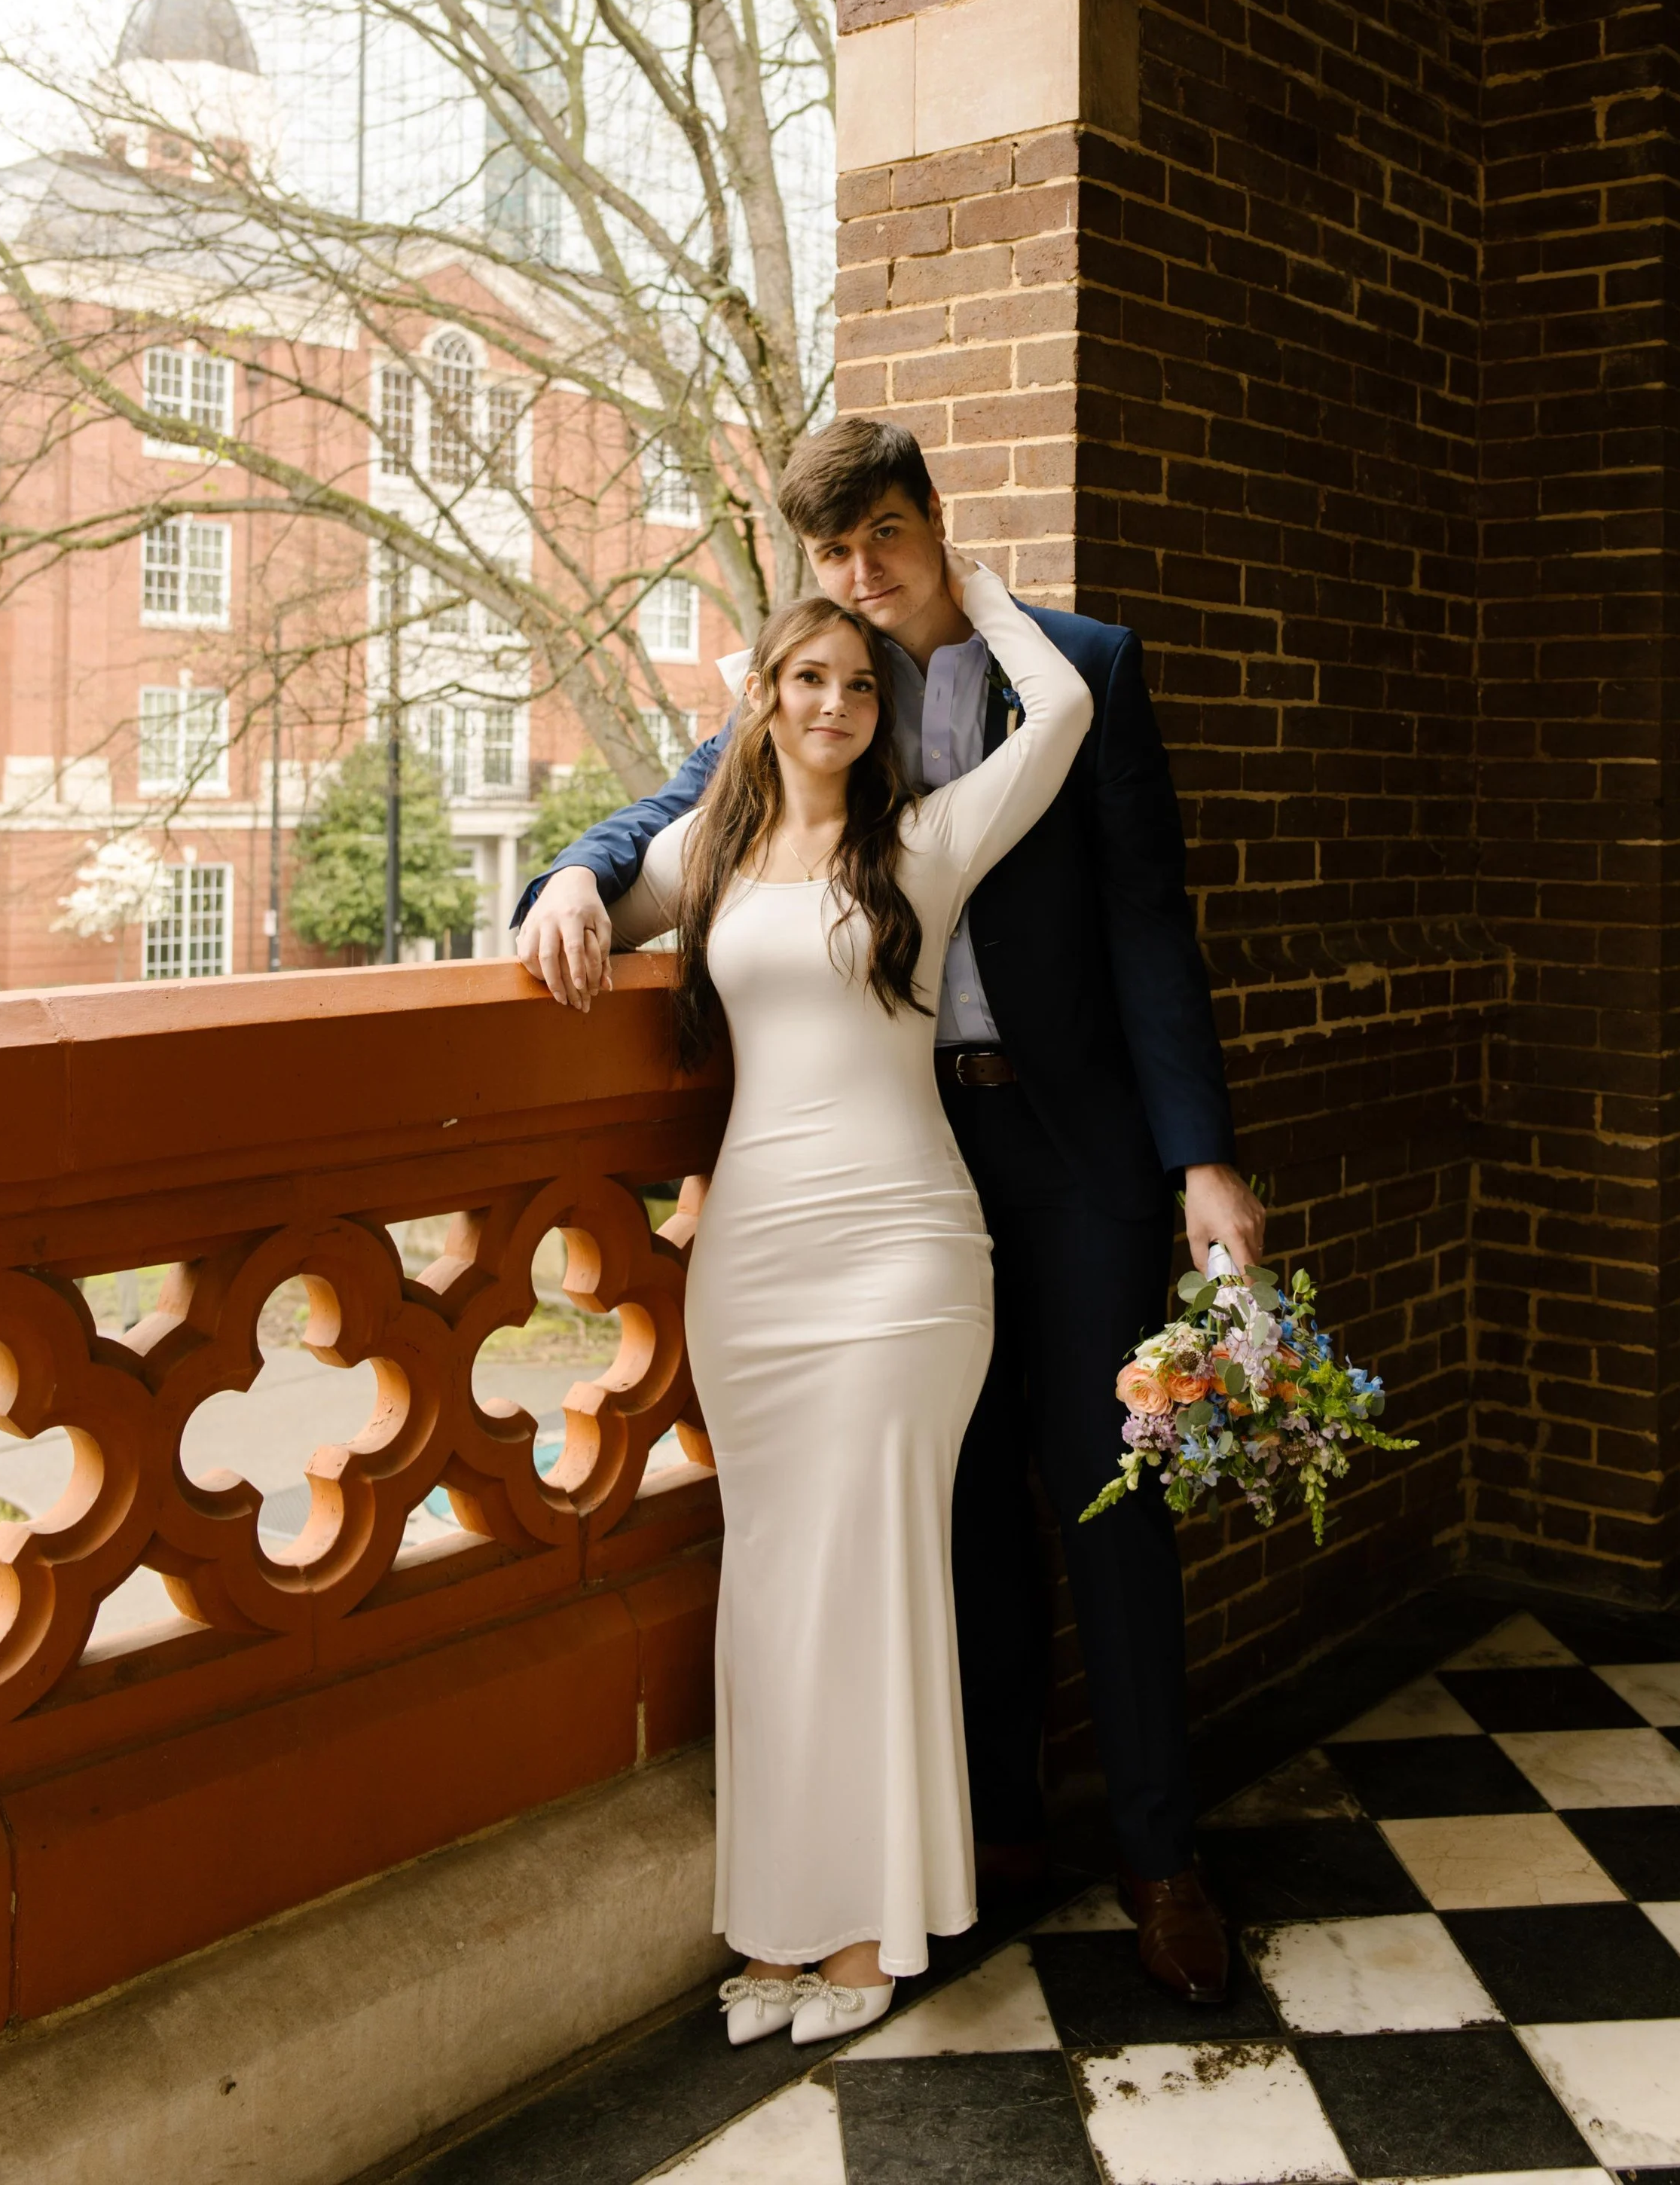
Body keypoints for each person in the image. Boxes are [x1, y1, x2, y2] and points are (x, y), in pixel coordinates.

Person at [515, 419, 1265, 2003]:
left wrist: (1197, 1158)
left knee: (1105, 1495)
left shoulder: (1076, 669)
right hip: (858, 1164)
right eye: (833, 558)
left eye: (884, 541)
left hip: (1056, 1150)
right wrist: (573, 877)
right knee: (951, 1515)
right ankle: (983, 1837)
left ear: (933, 517)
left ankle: (1159, 1860)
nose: (862, 579)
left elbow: (1146, 926)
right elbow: (678, 816)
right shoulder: (815, 678)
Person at [598, 554, 1092, 2041]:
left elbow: (1060, 711)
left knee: (873, 1589)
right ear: (758, 699)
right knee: (770, 1598)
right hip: (752, 1266)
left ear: (880, 715)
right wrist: (564, 879)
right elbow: (600, 897)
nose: (830, 702)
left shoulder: (927, 845)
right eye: (804, 677)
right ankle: (782, 1924)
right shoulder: (712, 853)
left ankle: (877, 1931)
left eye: (857, 684)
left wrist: (971, 592)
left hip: (903, 1259)